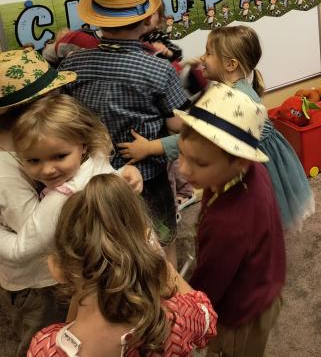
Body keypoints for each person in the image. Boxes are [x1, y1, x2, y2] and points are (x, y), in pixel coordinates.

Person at [118, 26, 315, 232]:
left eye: (209, 53)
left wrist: (149, 147)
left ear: (230, 64)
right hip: (246, 156)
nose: (203, 57)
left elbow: (197, 138)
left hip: (254, 162)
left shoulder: (233, 98)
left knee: (254, 212)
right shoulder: (228, 87)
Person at [57, 0, 190, 259]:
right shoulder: (159, 69)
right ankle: (169, 285)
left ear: (96, 18)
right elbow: (178, 124)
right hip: (147, 177)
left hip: (92, 177)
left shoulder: (72, 64)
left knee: (109, 244)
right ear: (147, 21)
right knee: (162, 239)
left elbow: (63, 117)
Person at [0, 92, 142, 357]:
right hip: (105, 272)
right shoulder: (95, 159)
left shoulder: (62, 196)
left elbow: (21, 250)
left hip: (63, 280)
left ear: (82, 144)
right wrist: (127, 173)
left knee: (44, 340)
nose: (47, 170)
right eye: (33, 160)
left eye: (59, 156)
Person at [26, 174, 217, 356]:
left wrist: (81, 283)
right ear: (145, 251)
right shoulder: (176, 323)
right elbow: (207, 316)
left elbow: (69, 325)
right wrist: (163, 266)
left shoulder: (44, 347)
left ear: (56, 268)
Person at [176, 82, 285, 357]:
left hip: (241, 314)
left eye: (200, 163)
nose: (183, 169)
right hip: (264, 281)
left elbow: (208, 287)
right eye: (181, 153)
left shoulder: (228, 225)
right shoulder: (244, 171)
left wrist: (188, 312)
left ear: (240, 161)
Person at [0, 50, 77, 357]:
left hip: (51, 271)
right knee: (41, 341)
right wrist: (70, 188)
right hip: (38, 281)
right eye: (52, 97)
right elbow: (34, 232)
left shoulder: (25, 149)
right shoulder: (6, 168)